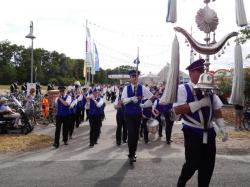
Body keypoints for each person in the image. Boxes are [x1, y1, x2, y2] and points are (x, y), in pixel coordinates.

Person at [173, 59, 228, 187]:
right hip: (192, 131)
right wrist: (199, 104)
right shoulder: (183, 88)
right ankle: (181, 182)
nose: (202, 74)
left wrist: (222, 127)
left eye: (203, 71)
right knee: (192, 163)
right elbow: (178, 109)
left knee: (208, 165)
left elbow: (217, 109)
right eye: (199, 71)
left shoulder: (210, 89)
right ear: (191, 72)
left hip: (209, 132)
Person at [121, 70, 154, 163]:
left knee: (135, 134)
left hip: (138, 114)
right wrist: (131, 99)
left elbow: (152, 97)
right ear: (130, 78)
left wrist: (144, 105)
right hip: (128, 114)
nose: (134, 78)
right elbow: (122, 101)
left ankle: (133, 152)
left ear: (138, 77)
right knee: (131, 133)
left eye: (136, 76)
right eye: (132, 76)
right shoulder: (126, 88)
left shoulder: (142, 88)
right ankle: (131, 154)